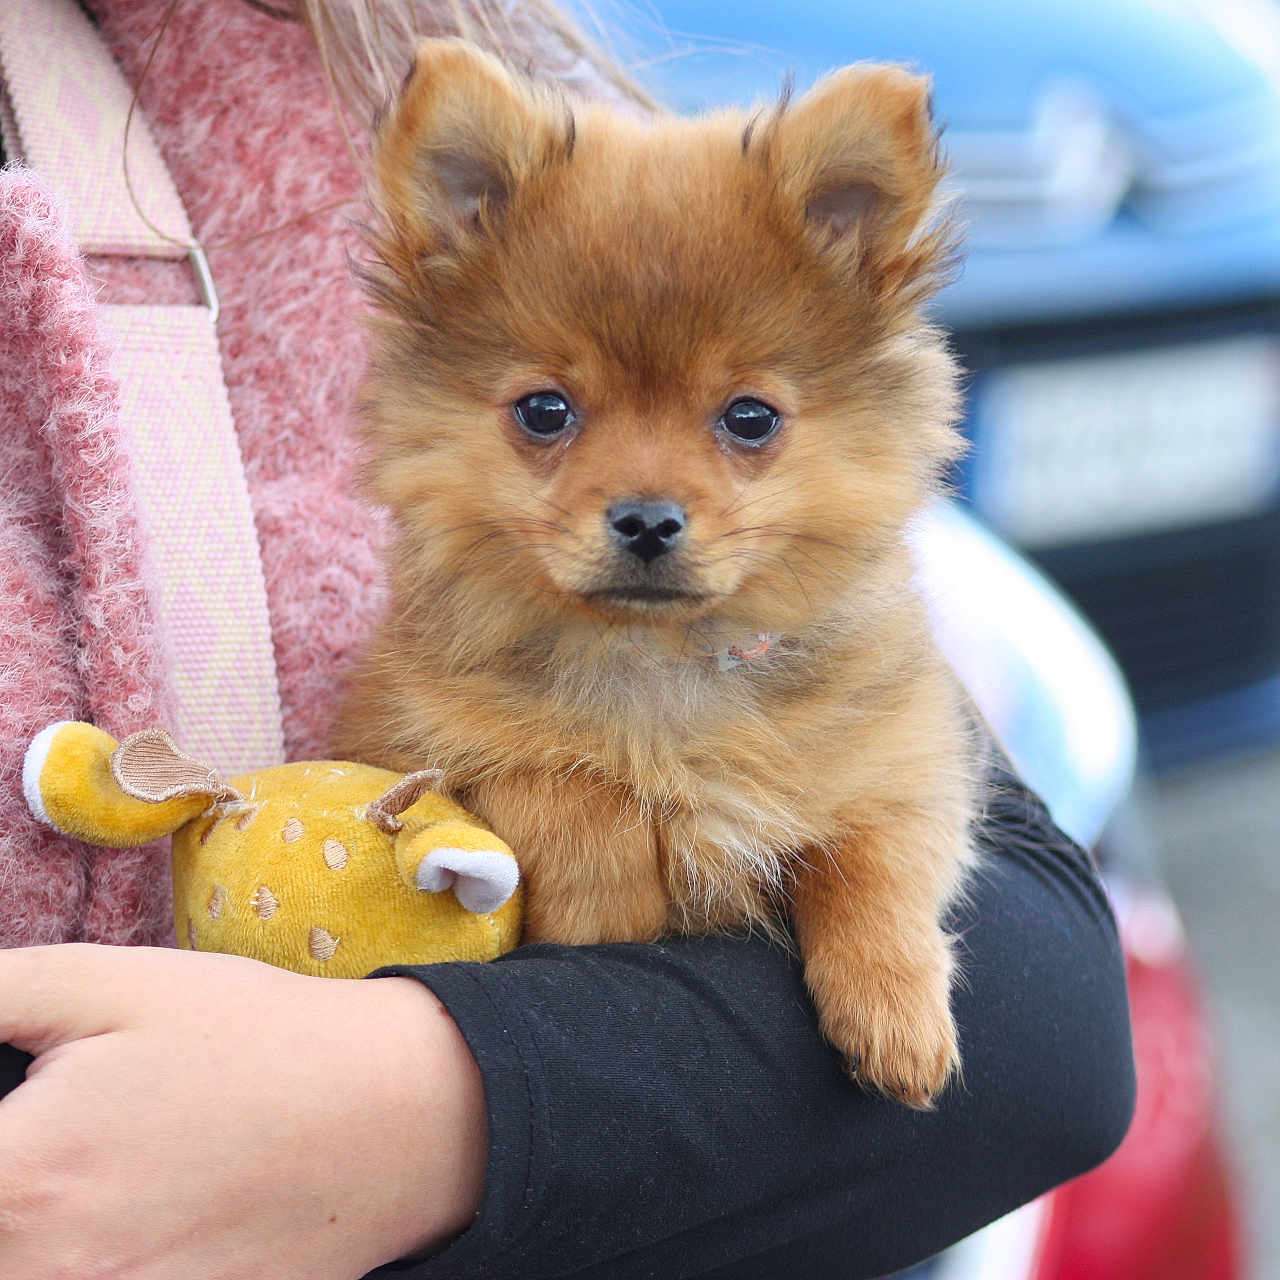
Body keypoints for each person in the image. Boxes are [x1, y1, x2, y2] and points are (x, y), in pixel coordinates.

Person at [0, 2, 1135, 1276]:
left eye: (745, 421)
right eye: (549, 412)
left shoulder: (330, 54)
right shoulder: (447, 661)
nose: (643, 497)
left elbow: (1039, 992)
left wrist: (865, 903)